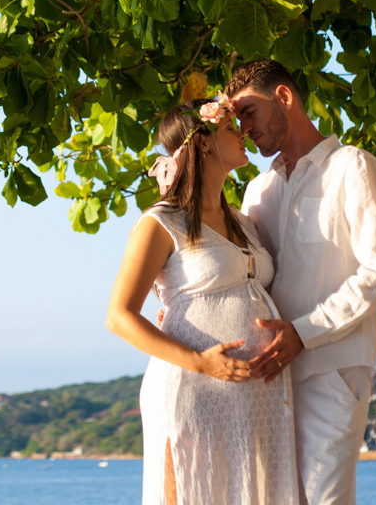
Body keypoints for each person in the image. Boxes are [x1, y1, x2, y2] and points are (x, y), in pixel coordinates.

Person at [228, 59, 376, 505]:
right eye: (235, 119)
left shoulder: (355, 168)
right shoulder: (257, 192)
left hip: (332, 370)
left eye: (248, 112)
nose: (243, 128)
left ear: (284, 97)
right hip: (268, 376)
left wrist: (303, 335)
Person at [107, 96, 299, 505]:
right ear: (205, 142)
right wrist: (200, 362)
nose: (244, 132)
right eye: (232, 127)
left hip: (255, 399)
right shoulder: (162, 222)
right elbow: (119, 316)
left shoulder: (244, 222)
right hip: (194, 390)